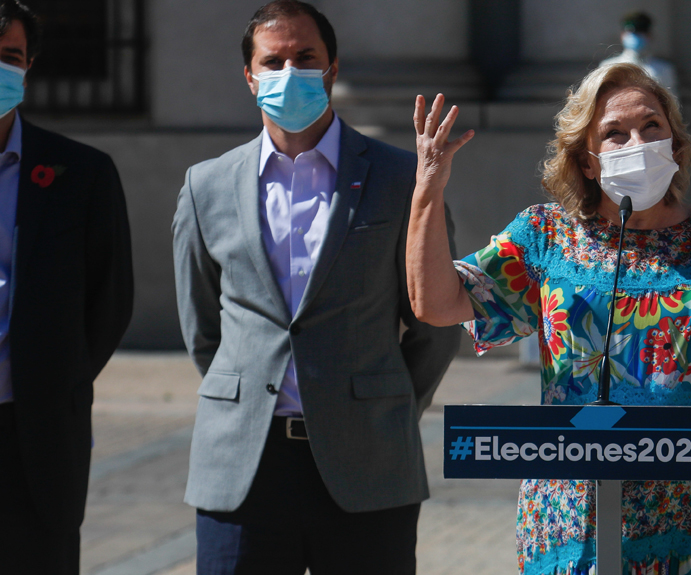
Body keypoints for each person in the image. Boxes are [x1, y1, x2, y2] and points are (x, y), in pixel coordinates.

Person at [406, 59, 691, 573]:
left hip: (687, 521)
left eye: (652, 125)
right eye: (615, 133)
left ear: (675, 142)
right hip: (572, 523)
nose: (638, 142)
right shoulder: (545, 238)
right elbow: (435, 302)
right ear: (587, 162)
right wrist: (427, 188)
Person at [172, 1, 460, 572]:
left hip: (368, 460)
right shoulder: (206, 186)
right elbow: (204, 326)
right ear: (249, 76)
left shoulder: (401, 177)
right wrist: (247, 392)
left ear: (331, 67)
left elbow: (434, 320)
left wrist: (388, 403)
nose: (289, 73)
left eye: (305, 58)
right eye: (272, 61)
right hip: (243, 466)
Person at [0, 1, 134, 572]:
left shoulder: (81, 173)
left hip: (37, 436)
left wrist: (55, 374)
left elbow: (110, 301)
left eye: (9, 57)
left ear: (28, 66)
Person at [599, 11, 678, 92]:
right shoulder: (608, 66)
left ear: (649, 36)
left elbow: (672, 101)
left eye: (640, 33)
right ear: (622, 35)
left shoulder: (663, 69)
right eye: (631, 32)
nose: (635, 36)